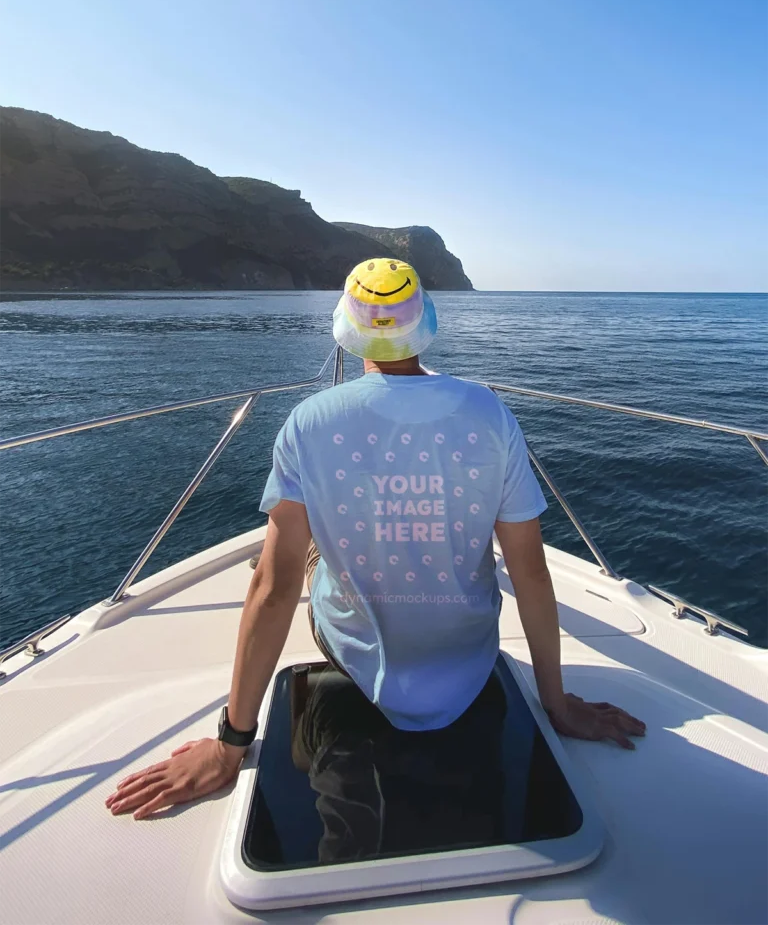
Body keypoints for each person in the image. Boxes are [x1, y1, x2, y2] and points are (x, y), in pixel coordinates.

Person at [106, 258, 645, 820]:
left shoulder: (309, 422)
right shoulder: (491, 416)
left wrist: (230, 743)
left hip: (353, 656)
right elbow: (530, 573)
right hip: (469, 665)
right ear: (424, 324)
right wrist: (556, 706)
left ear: (347, 326)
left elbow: (273, 587)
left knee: (299, 554)